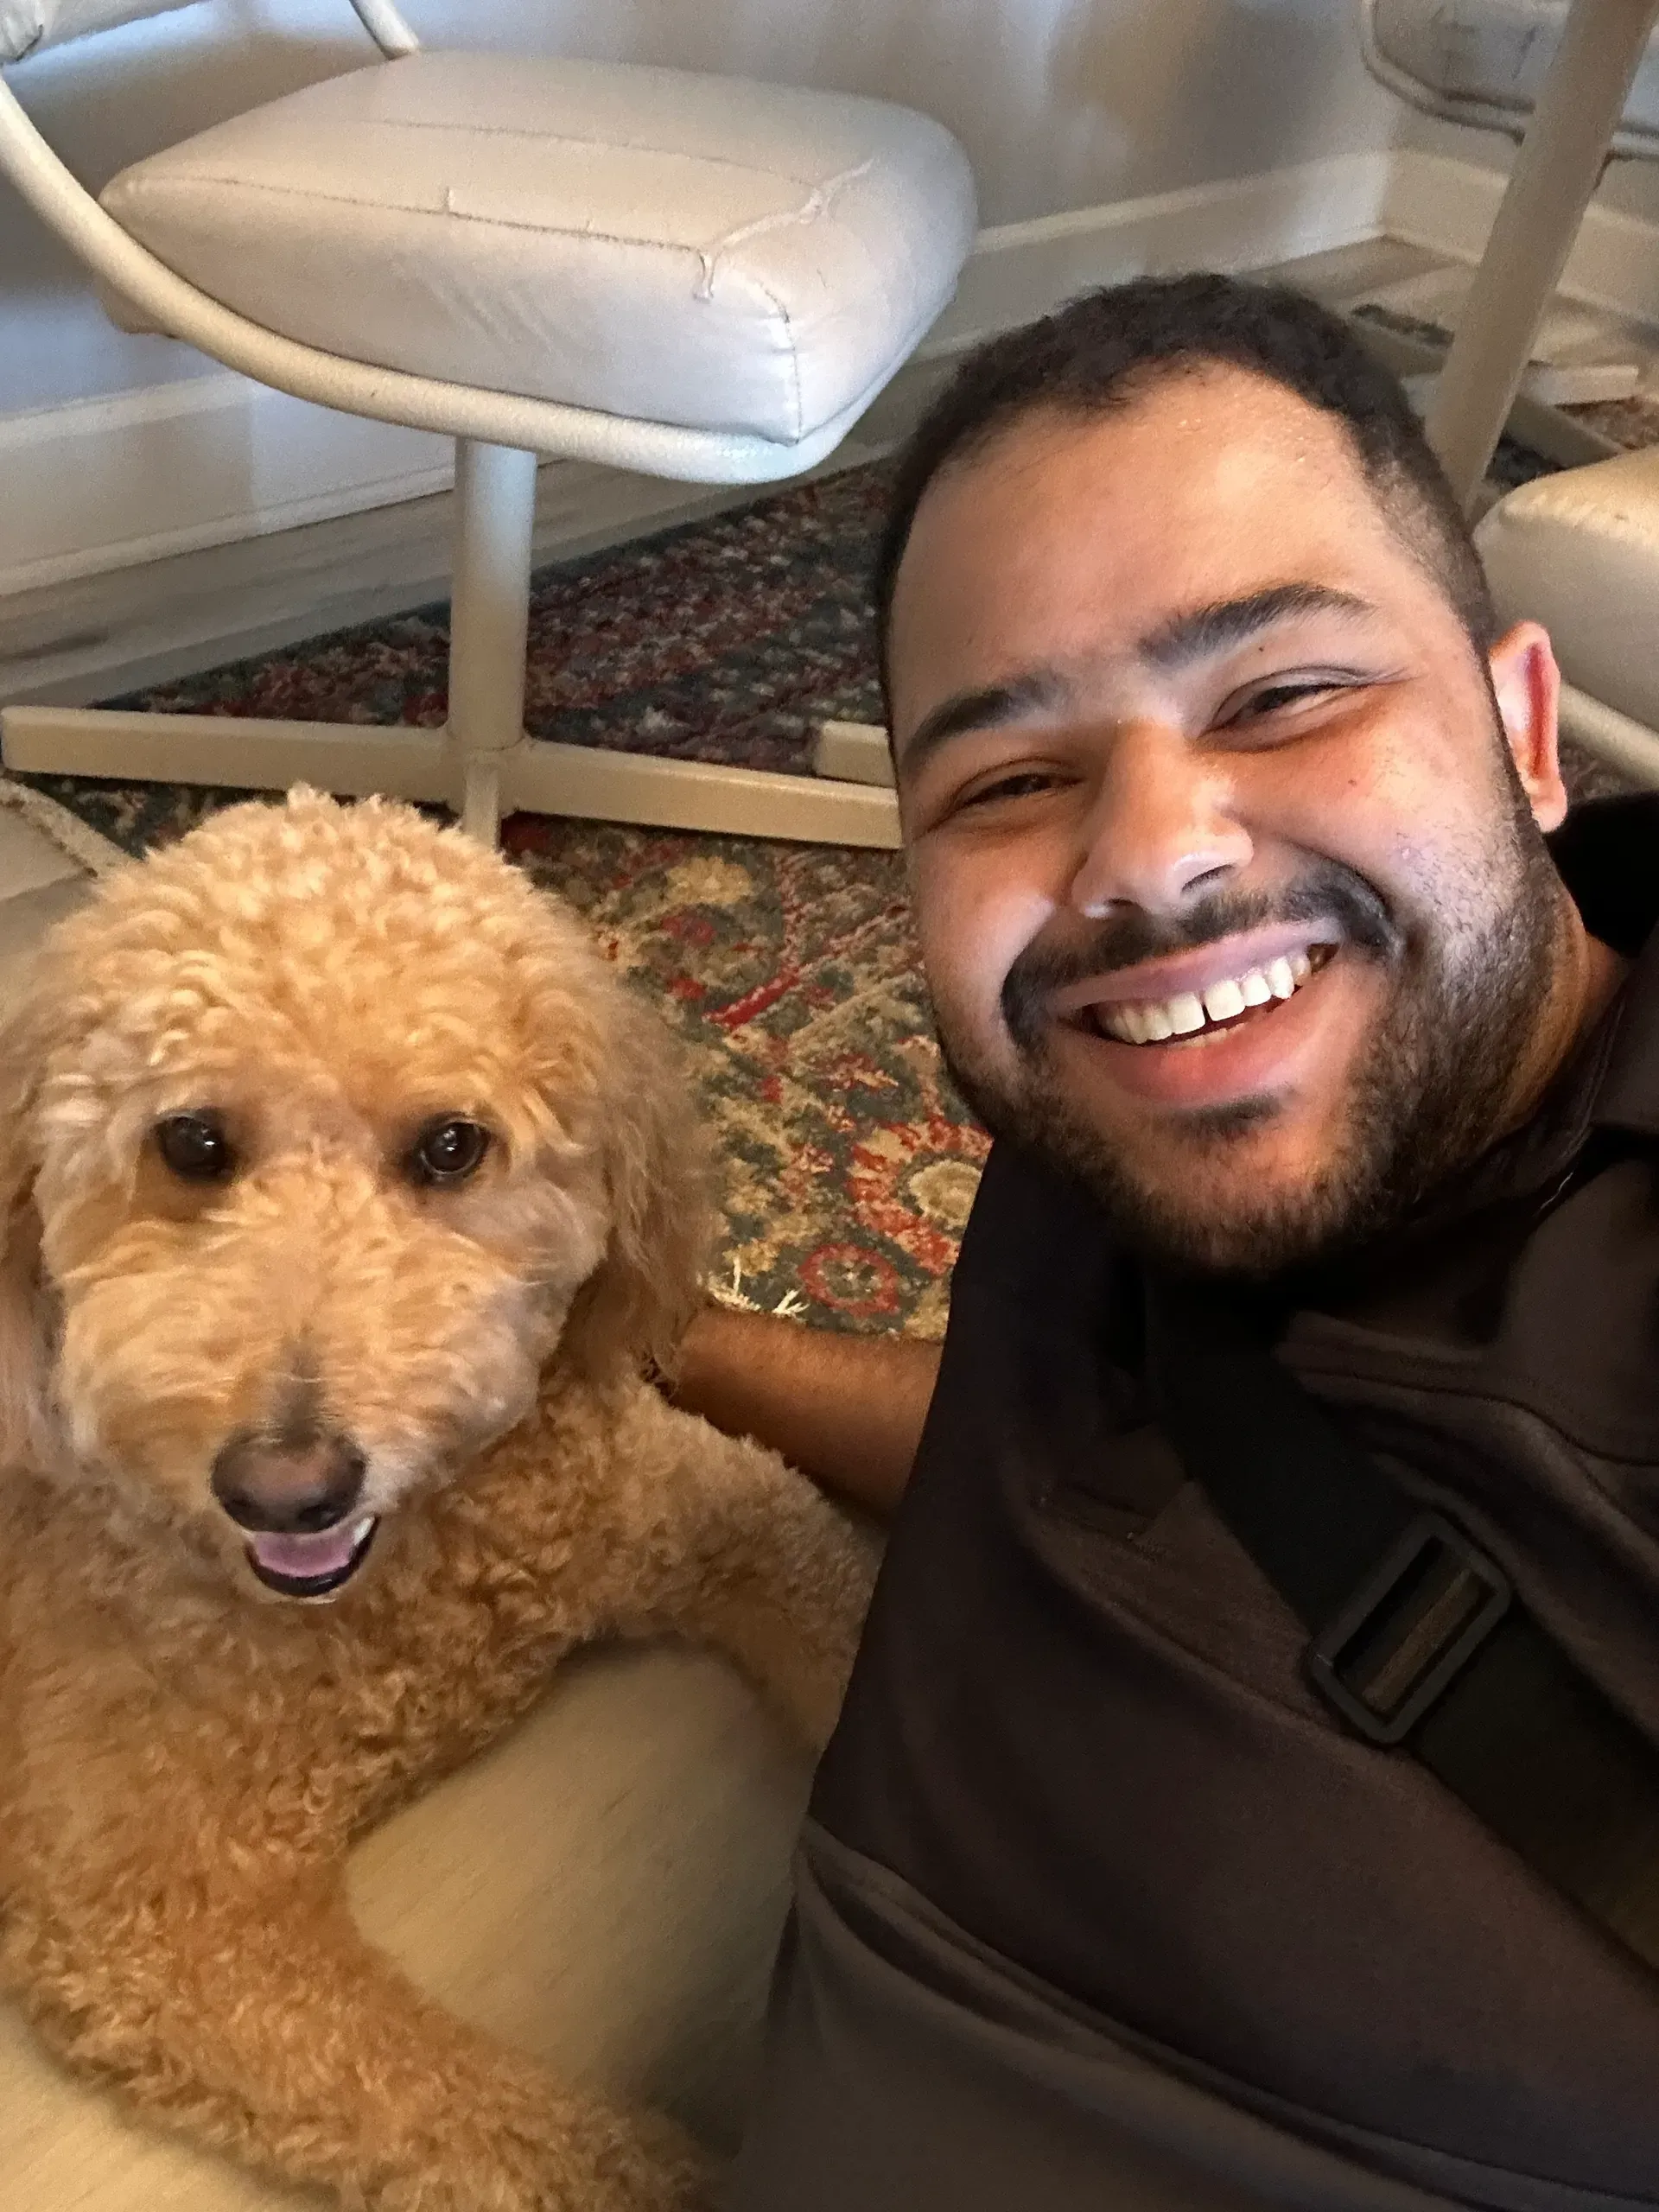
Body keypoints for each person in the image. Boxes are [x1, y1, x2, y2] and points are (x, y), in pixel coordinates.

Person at [673, 274, 1659, 2210]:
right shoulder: (1108, 1116)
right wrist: (673, 1341)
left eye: (1283, 694)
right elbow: (1079, 1449)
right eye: (1009, 779)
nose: (1142, 853)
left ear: (1527, 730)